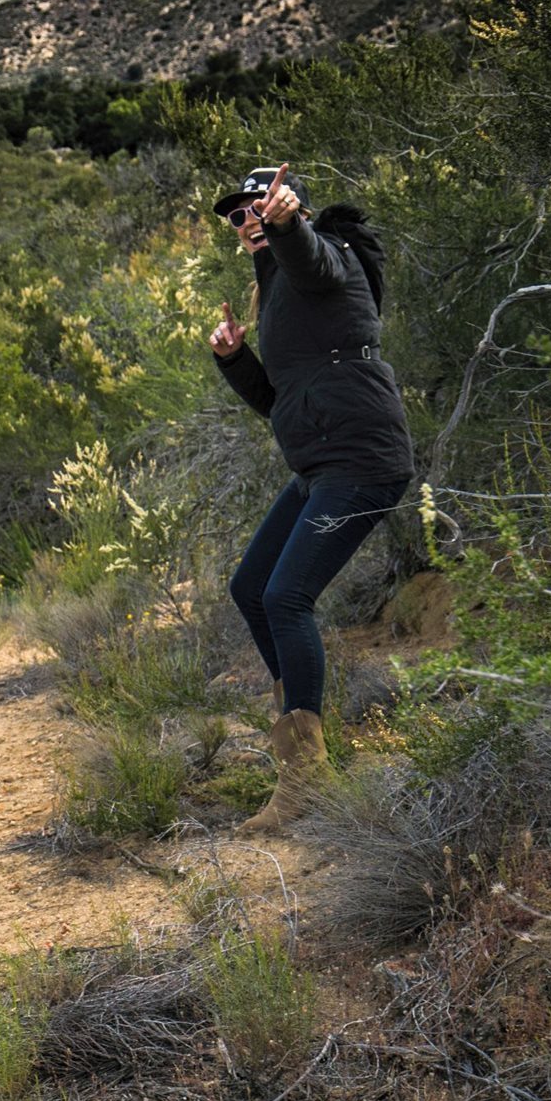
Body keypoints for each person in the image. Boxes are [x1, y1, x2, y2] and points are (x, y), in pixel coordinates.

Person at [208, 163, 413, 832]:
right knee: (251, 587)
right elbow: (280, 402)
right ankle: (302, 747)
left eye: (257, 207)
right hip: (320, 465)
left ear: (289, 207)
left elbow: (312, 257)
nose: (246, 220)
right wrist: (236, 360)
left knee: (285, 597)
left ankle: (304, 778)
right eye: (237, 215)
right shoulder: (276, 291)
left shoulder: (326, 255)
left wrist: (288, 222)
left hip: (362, 459)